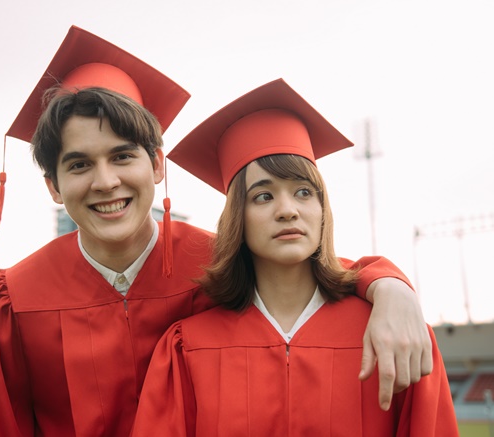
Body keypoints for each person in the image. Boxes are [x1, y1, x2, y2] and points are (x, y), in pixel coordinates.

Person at [0, 26, 432, 436]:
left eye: (123, 156)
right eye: (80, 164)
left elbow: (311, 268)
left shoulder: (219, 261)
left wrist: (389, 284)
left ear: (156, 164)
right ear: (52, 185)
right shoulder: (13, 301)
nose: (106, 181)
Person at [132, 79, 458, 436]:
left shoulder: (391, 333)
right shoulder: (188, 346)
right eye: (263, 196)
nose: (287, 210)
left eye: (303, 192)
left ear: (322, 209)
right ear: (237, 216)